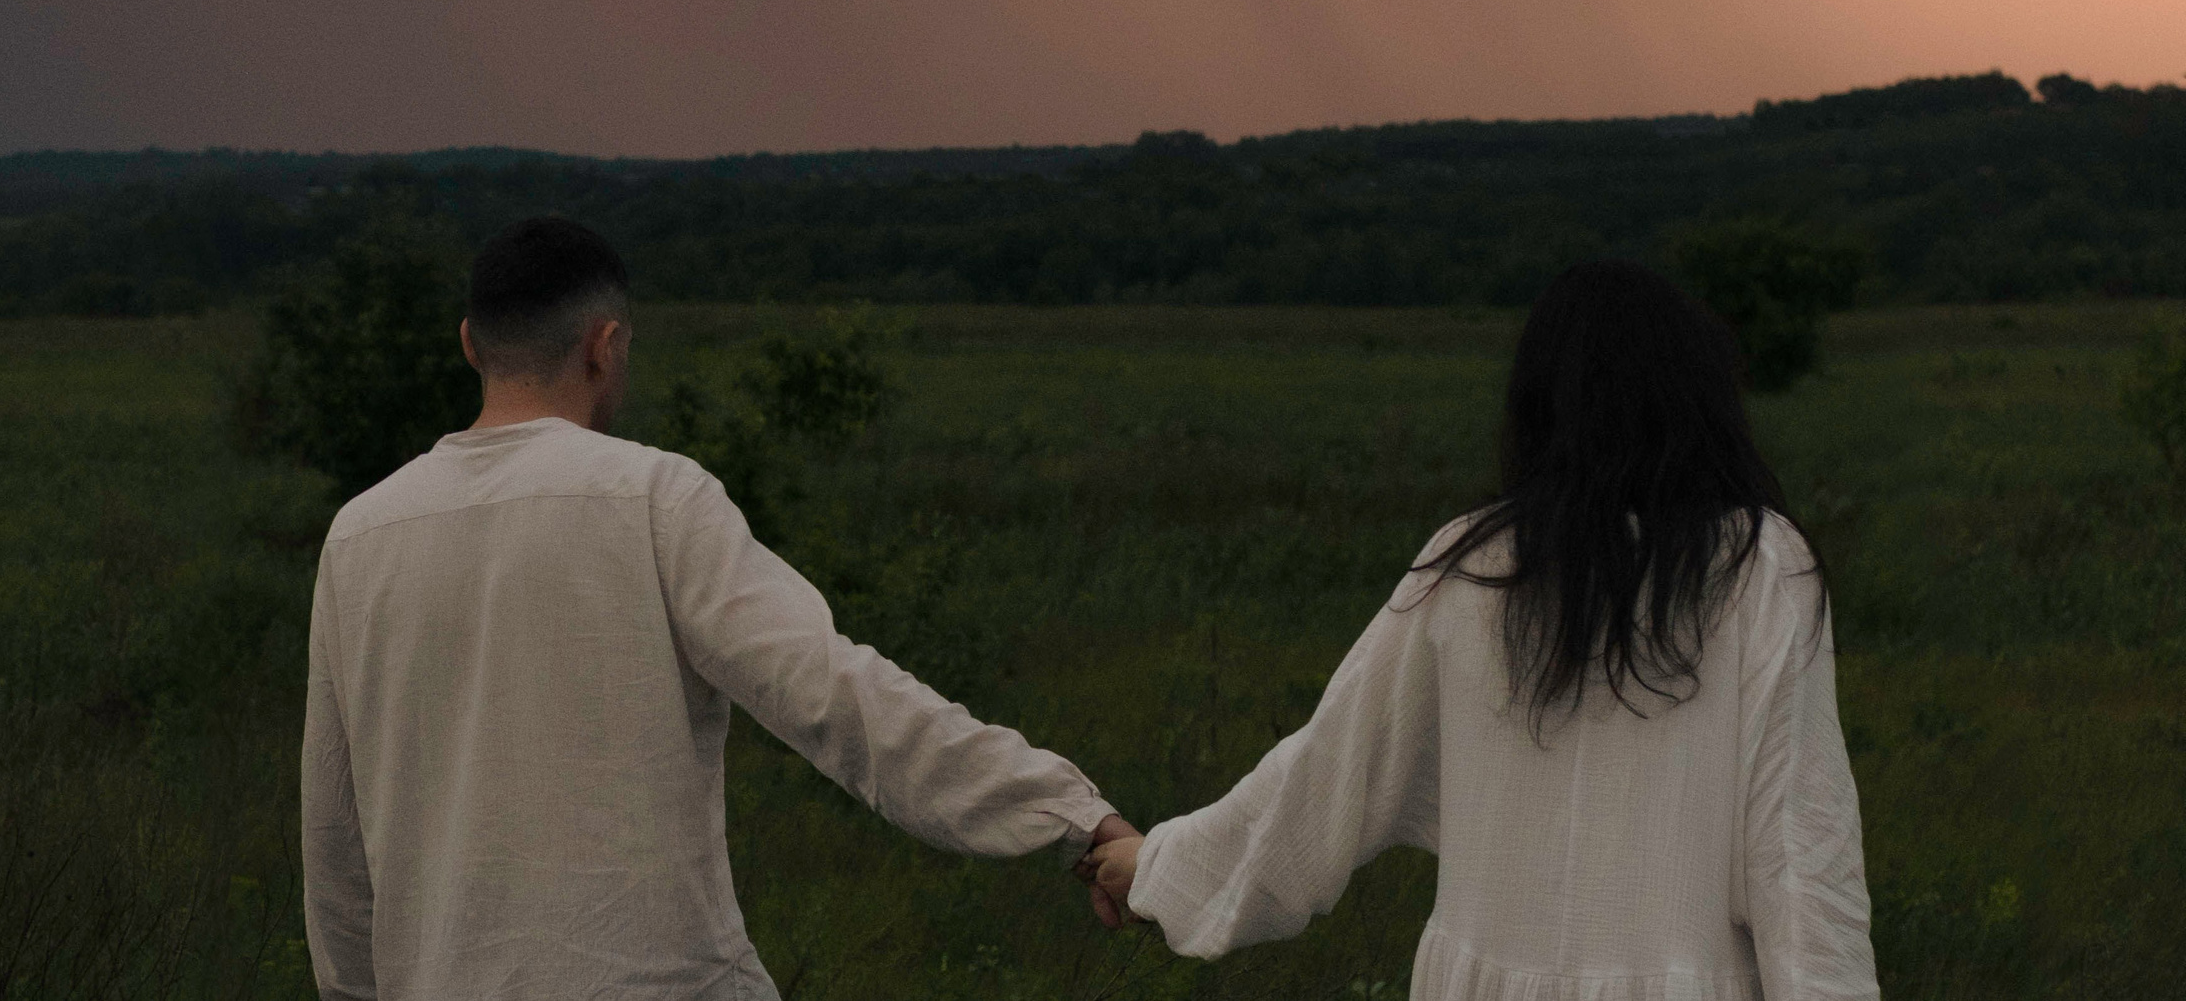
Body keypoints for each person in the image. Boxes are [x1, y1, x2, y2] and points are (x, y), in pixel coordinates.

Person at [301, 215, 1134, 999]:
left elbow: (334, 840)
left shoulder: (359, 536)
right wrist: (1072, 816)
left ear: (469, 345)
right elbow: (839, 697)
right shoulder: (652, 497)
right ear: (606, 345)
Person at [1083, 259, 1877, 999]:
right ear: (1698, 398)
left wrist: (1155, 866)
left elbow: (1323, 779)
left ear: (1539, 405)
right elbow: (1801, 859)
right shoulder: (1760, 566)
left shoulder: (1472, 566)